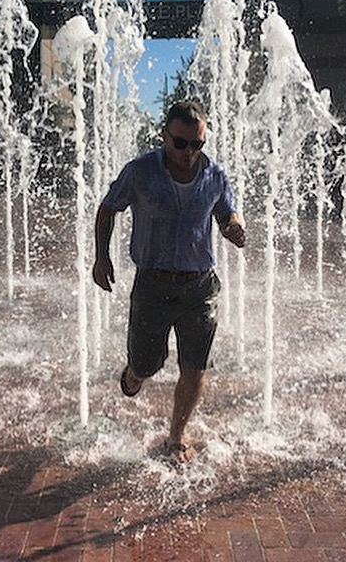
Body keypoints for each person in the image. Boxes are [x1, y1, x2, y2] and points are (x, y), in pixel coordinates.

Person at [92, 100, 245, 464]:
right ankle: (135, 372)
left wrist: (235, 228)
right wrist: (101, 257)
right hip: (153, 285)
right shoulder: (141, 172)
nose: (189, 152)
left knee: (195, 366)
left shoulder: (215, 176)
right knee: (147, 364)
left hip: (200, 287)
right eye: (181, 143)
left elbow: (227, 213)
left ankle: (176, 436)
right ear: (164, 136)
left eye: (197, 145)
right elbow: (108, 207)